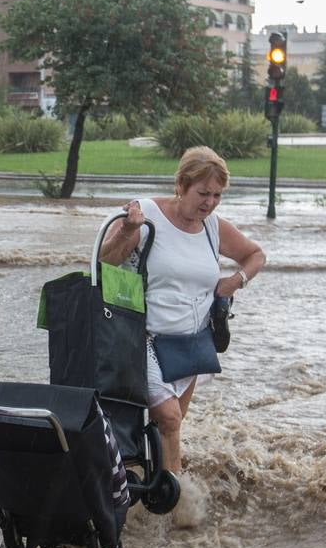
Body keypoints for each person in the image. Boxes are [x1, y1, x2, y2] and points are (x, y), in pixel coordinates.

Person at [98, 145, 266, 480]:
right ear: (180, 185)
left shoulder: (212, 226)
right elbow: (104, 263)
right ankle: (174, 496)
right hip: (141, 338)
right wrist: (128, 230)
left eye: (217, 195)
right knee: (170, 418)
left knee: (169, 427)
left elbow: (256, 255)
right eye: (203, 193)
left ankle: (151, 488)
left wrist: (234, 282)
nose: (210, 202)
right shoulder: (146, 215)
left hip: (191, 343)